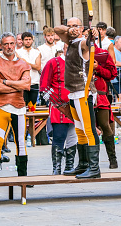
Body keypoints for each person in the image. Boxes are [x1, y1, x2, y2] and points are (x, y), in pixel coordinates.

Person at [54, 18, 101, 179]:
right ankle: (83, 165)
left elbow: (87, 44)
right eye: (70, 26)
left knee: (89, 130)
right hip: (73, 92)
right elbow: (57, 29)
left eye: (76, 26)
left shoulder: (81, 42)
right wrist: (69, 30)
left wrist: (91, 36)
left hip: (83, 91)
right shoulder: (70, 40)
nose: (72, 29)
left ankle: (94, 167)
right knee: (80, 130)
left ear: (82, 28)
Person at [0, 32, 31, 182]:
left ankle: (23, 177)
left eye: (11, 43)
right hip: (1, 106)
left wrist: (6, 82)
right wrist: (17, 85)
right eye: (5, 44)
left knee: (21, 142)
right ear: (0, 45)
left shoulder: (23, 63)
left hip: (19, 108)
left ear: (15, 44)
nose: (9, 46)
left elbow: (27, 85)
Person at [40, 44, 78, 174]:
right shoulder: (53, 62)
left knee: (73, 136)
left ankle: (69, 166)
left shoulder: (78, 63)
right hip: (59, 107)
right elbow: (44, 86)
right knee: (59, 136)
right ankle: (56, 168)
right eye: (69, 47)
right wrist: (56, 102)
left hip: (76, 105)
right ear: (64, 48)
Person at [93, 46, 119, 169]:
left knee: (105, 126)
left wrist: (98, 68)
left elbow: (111, 74)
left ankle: (113, 159)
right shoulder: (75, 52)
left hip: (100, 95)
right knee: (88, 128)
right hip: (83, 94)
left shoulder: (101, 53)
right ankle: (91, 162)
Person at [17, 32, 41, 109]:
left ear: (32, 40)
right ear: (22, 41)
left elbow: (38, 67)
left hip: (34, 82)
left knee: (32, 107)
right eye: (26, 39)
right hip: (22, 82)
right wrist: (30, 65)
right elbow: (18, 66)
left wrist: (25, 62)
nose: (28, 41)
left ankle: (33, 121)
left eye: (29, 39)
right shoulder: (17, 52)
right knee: (22, 106)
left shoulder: (36, 52)